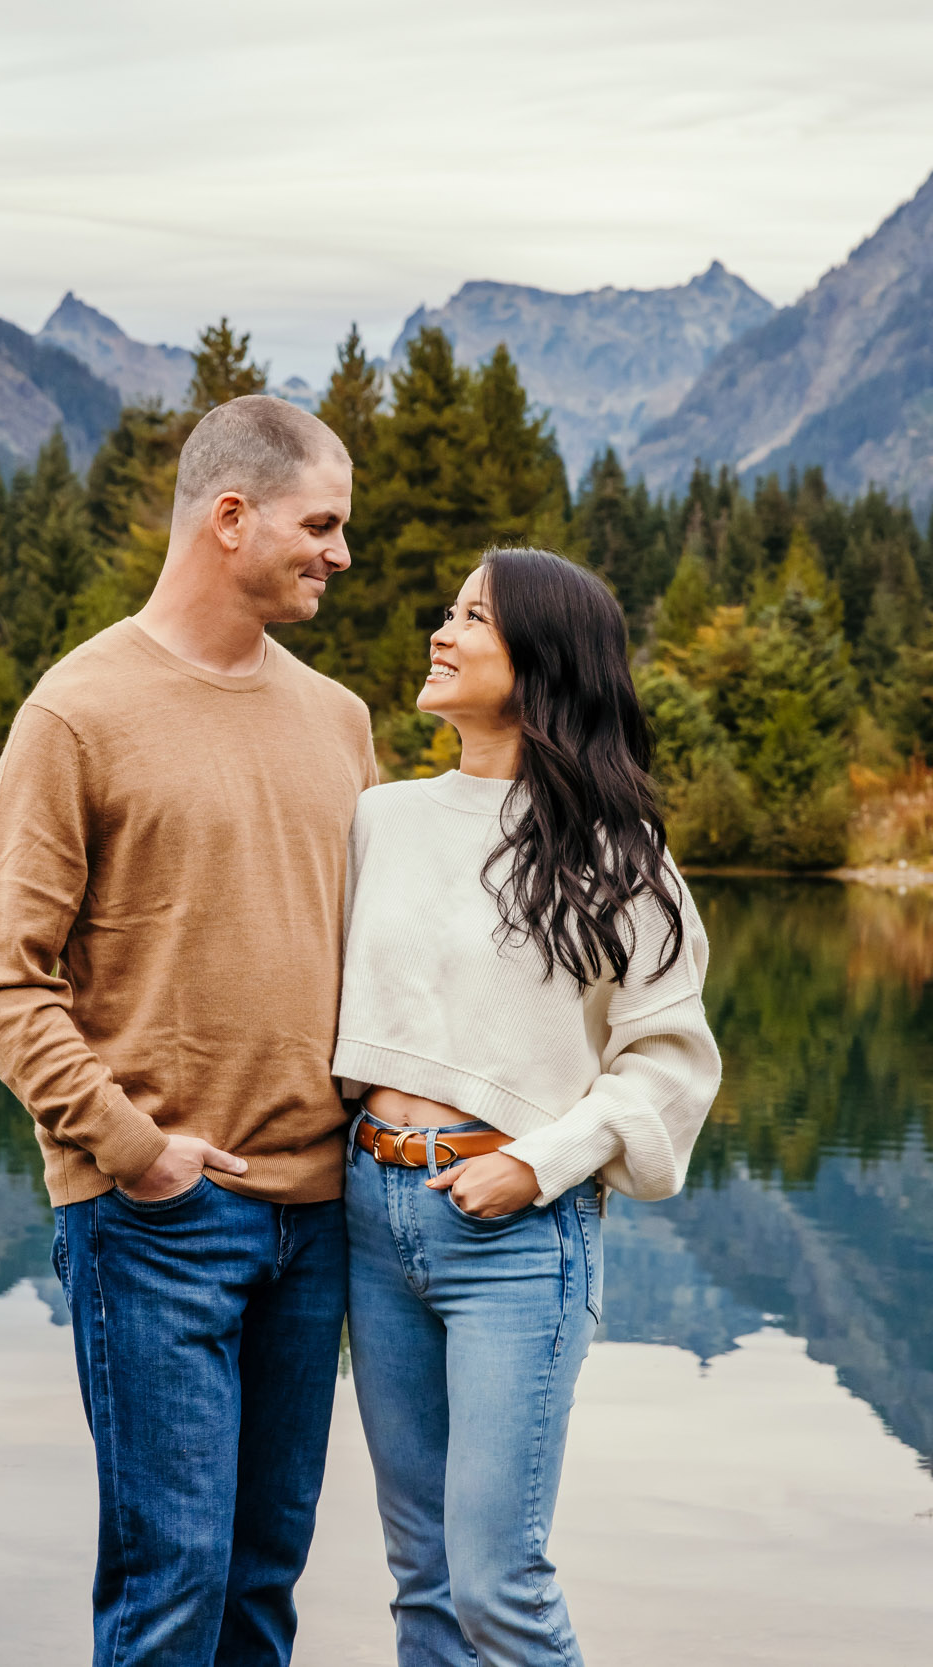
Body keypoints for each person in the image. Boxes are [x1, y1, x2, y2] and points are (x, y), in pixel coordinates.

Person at [0, 395, 377, 1667]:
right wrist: (132, 1149)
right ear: (229, 517)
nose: (340, 554)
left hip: (320, 1222)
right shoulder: (76, 712)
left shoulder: (340, 720)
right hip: (156, 1222)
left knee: (260, 1588)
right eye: (323, 524)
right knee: (169, 1591)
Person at [336, 547, 721, 1667]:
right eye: (445, 610)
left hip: (514, 1229)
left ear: (542, 662)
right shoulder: (382, 820)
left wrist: (542, 1160)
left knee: (498, 1582)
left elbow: (668, 1063)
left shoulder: (619, 856)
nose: (439, 633)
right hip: (369, 1209)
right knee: (423, 1580)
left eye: (472, 619)